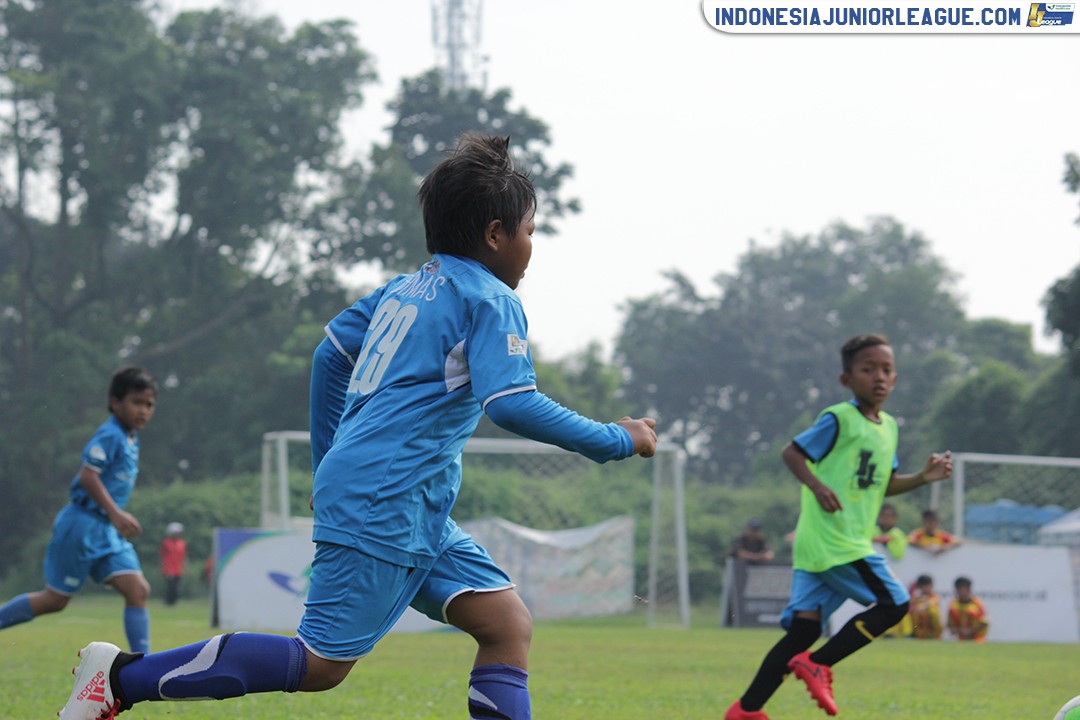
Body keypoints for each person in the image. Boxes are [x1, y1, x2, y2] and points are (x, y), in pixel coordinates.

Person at [57, 134, 658, 720]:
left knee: (505, 624)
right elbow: (512, 404)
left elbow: (330, 357)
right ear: (495, 235)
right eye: (530, 231)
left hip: (408, 502)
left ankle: (118, 680)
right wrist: (616, 439)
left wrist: (330, 463)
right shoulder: (490, 299)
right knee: (319, 664)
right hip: (386, 498)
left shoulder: (405, 290)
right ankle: (117, 681)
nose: (532, 245)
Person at [725, 334, 953, 720]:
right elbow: (792, 453)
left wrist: (923, 478)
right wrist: (816, 486)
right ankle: (819, 664)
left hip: (828, 546)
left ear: (894, 379)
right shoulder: (839, 419)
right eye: (867, 369)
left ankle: (746, 711)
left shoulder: (889, 428)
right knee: (895, 603)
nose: (878, 377)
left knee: (802, 633)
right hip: (836, 541)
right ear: (847, 379)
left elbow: (884, 485)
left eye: (886, 370)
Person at [0, 366, 158, 654]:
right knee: (54, 600)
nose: (144, 410)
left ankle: (143, 664)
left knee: (138, 590)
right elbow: (88, 476)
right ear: (115, 402)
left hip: (105, 531)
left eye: (149, 404)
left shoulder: (130, 437)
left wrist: (112, 518)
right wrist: (116, 513)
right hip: (81, 526)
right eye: (137, 402)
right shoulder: (110, 435)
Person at [948, 575, 989, 642]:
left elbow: (985, 622)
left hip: (977, 639)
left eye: (963, 588)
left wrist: (970, 631)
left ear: (969, 589)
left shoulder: (977, 604)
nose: (961, 591)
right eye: (958, 588)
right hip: (961, 640)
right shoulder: (953, 605)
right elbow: (950, 624)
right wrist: (959, 631)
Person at [159, 522, 188, 606]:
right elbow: (161, 556)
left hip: (178, 569)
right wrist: (161, 568)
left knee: (176, 587)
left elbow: (184, 557)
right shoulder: (166, 543)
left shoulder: (182, 543)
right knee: (170, 586)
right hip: (168, 569)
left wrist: (186, 568)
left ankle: (174, 601)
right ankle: (168, 601)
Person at [907, 574, 943, 639]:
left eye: (929, 586)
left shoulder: (934, 597)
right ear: (920, 587)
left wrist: (924, 605)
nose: (928, 588)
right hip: (919, 632)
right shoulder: (916, 598)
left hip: (933, 633)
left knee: (933, 611)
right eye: (925, 586)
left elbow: (931, 602)